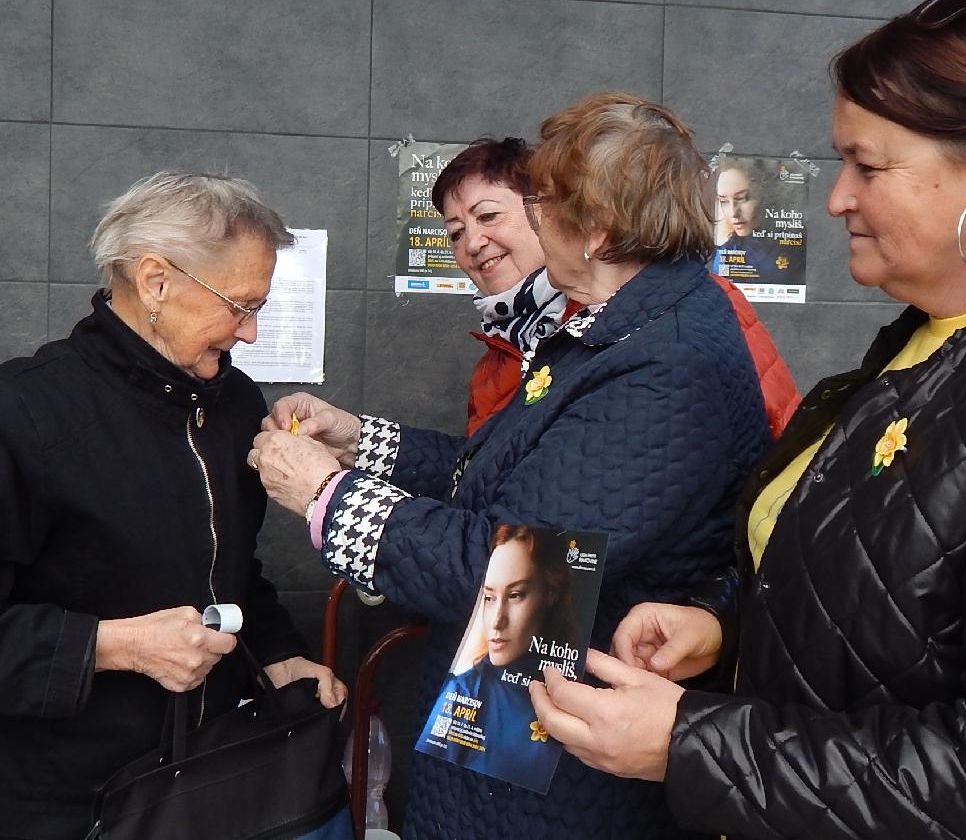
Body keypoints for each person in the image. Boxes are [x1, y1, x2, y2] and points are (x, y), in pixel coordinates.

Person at [530, 0, 966, 840]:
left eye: (867, 166)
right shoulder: (937, 334)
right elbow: (892, 596)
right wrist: (727, 627)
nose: (837, 197)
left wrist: (693, 741)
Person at [249, 92, 773, 839]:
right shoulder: (607, 330)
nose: (522, 225)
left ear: (592, 228)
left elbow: (521, 575)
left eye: (539, 203)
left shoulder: (664, 359)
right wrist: (360, 444)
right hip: (511, 714)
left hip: (563, 749)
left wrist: (326, 495)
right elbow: (499, 475)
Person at [0, 171, 346, 840]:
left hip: (205, 779)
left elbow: (235, 568)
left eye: (260, 308)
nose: (249, 333)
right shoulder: (25, 412)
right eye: (239, 306)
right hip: (65, 800)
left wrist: (277, 651)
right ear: (156, 281)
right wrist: (114, 646)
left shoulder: (234, 403)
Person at [434, 137, 800, 439]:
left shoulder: (675, 306)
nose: (473, 243)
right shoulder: (494, 362)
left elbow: (772, 438)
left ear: (545, 211)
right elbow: (485, 486)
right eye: (456, 232)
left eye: (487, 216)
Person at [417, 525, 575, 790]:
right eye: (489, 598)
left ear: (551, 592)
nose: (497, 621)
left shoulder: (580, 673)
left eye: (515, 595)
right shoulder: (464, 690)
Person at [710, 158, 805, 285]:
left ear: (763, 195)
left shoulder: (795, 244)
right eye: (723, 201)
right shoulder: (722, 254)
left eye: (742, 198)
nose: (733, 213)